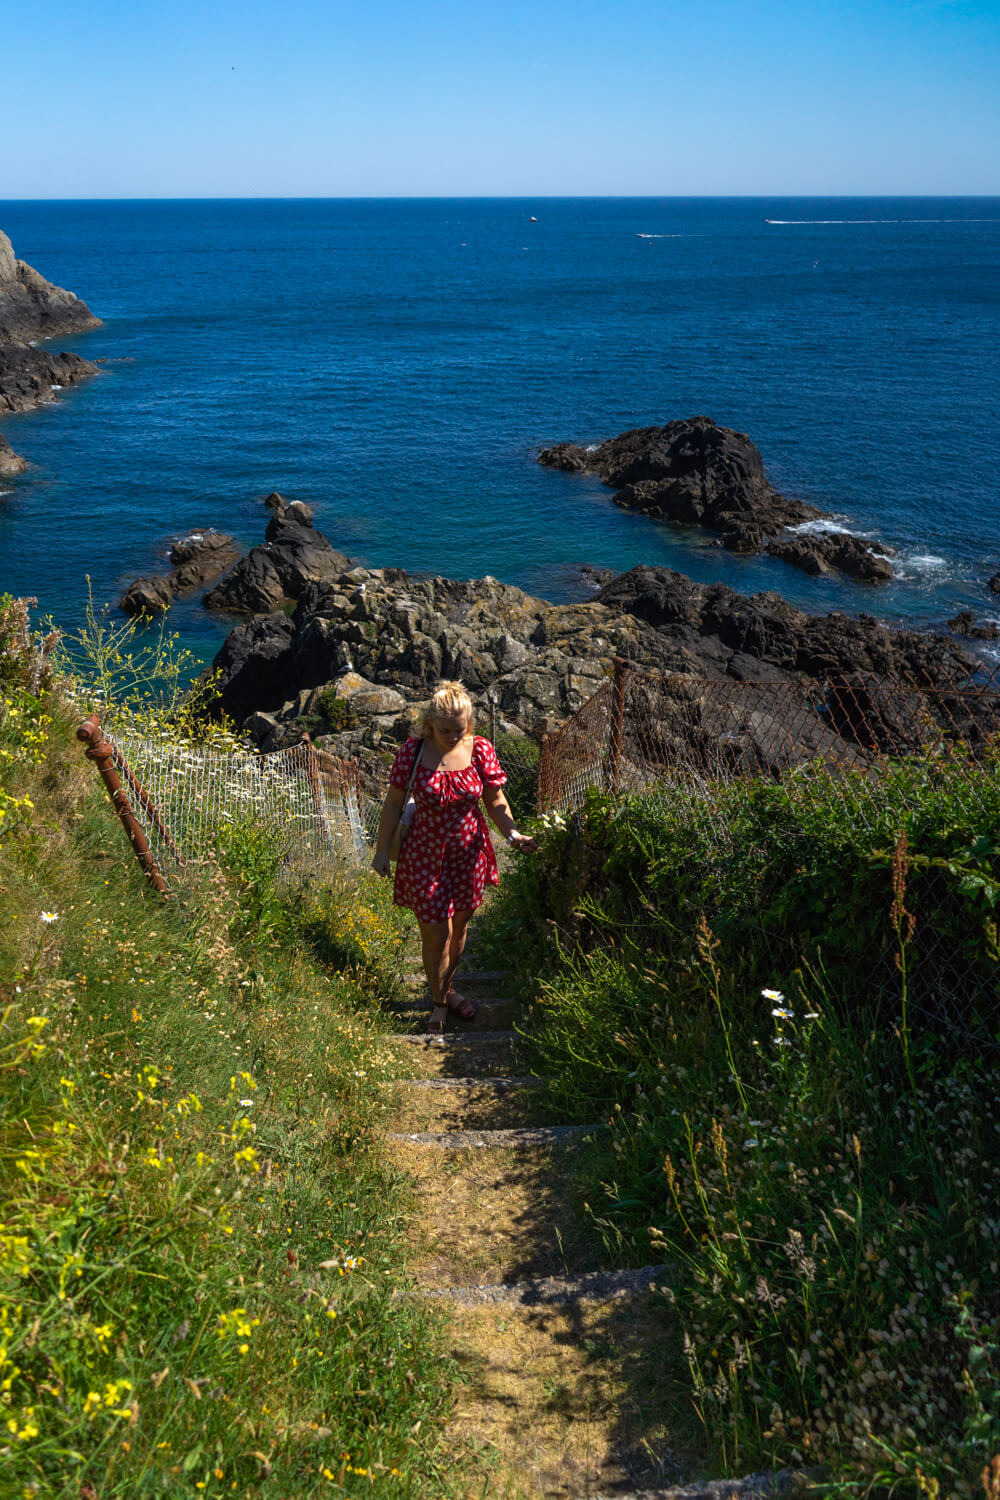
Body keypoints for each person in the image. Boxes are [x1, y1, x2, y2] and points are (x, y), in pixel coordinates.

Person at [371, 680, 536, 1034]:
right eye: (444, 730)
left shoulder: (480, 750)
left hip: (469, 854)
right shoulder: (412, 751)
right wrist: (381, 850)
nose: (451, 737)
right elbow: (394, 803)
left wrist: (512, 833)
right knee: (435, 935)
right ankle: (440, 1003)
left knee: (459, 930)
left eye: (458, 730)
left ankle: (445, 990)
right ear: (430, 723)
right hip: (423, 856)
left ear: (469, 724)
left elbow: (495, 800)